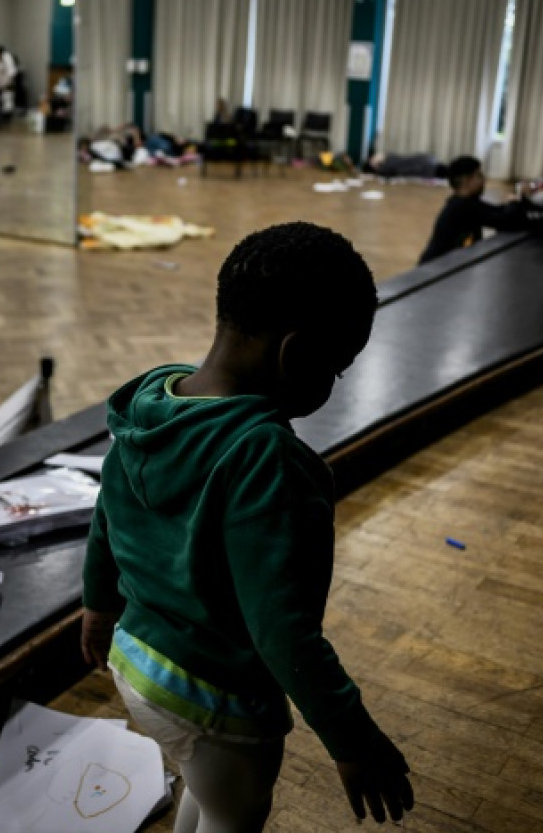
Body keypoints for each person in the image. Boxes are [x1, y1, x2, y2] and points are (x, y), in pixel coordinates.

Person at [81, 222, 414, 832]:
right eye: (335, 370)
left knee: (205, 791)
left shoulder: (152, 405)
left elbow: (106, 514)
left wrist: (98, 605)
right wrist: (353, 740)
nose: (332, 385)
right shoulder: (268, 460)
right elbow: (284, 631)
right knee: (234, 815)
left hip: (136, 664)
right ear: (297, 354)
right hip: (214, 698)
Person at [418, 156, 500, 265]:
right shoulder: (464, 207)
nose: (483, 180)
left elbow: (497, 211)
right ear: (466, 180)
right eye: (479, 175)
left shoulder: (461, 203)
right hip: (435, 271)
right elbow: (504, 219)